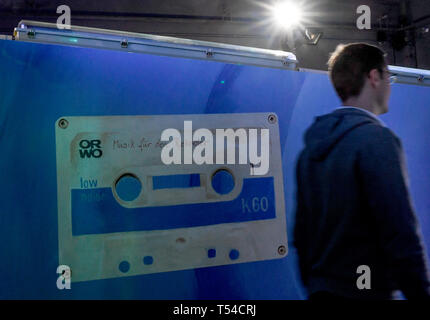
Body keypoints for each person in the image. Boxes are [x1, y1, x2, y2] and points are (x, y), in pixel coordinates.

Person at [293, 43, 430, 300]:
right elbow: (400, 233)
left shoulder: (309, 151)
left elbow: (301, 237)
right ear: (374, 77)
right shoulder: (377, 141)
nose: (390, 84)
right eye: (389, 76)